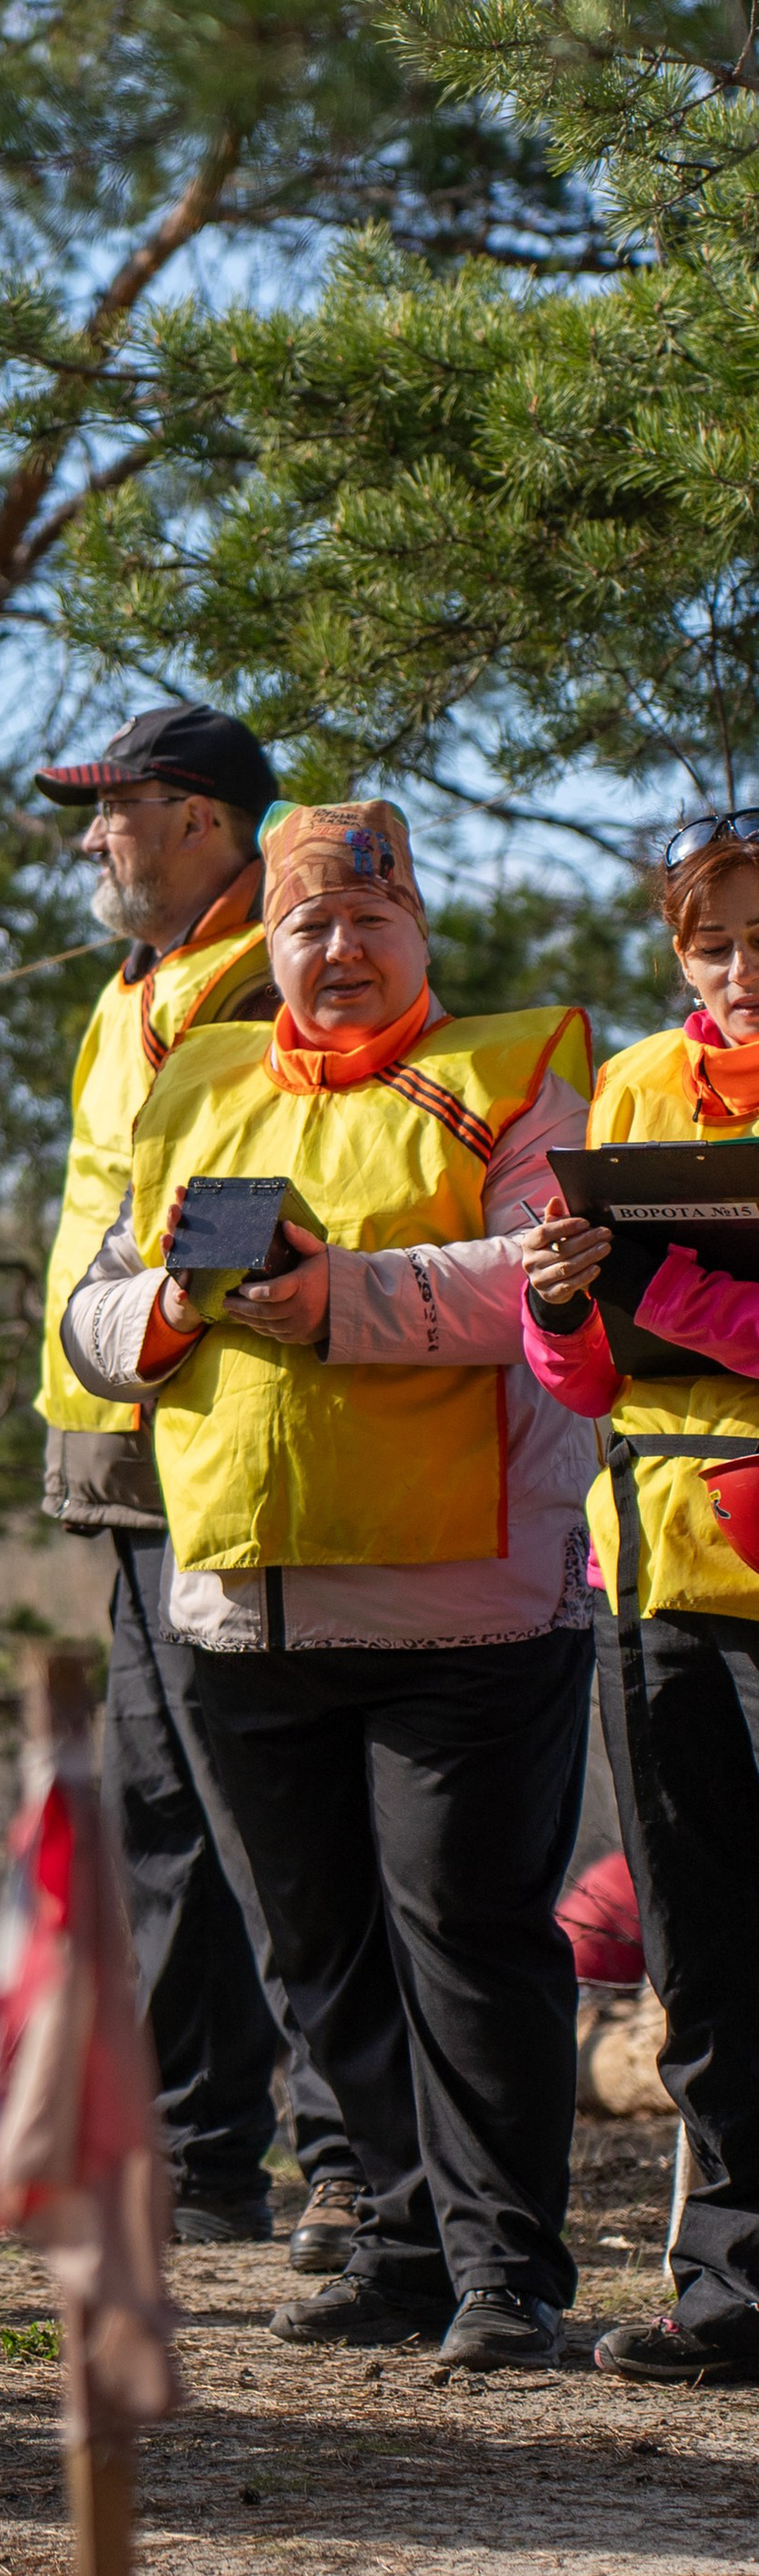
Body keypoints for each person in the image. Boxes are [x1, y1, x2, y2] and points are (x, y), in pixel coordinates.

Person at [60, 799, 596, 2370]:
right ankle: (404, 2245)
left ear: (419, 931)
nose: (340, 952)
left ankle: (510, 2272)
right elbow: (91, 1316)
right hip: (241, 1601)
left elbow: (545, 1276)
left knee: (470, 1937)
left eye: (370, 924)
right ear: (266, 946)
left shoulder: (509, 1072)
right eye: (308, 928)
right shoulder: (201, 1078)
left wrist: (333, 1300)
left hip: (468, 1602)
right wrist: (172, 1310)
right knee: (320, 1955)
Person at [33, 707, 361, 2265]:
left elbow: (250, 1219)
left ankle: (349, 2157)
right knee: (164, 1814)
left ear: (205, 821)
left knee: (269, 1813)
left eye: (117, 810)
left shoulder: (280, 975)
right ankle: (201, 2154)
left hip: (225, 1434)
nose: (93, 839)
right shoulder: (140, 982)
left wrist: (161, 1346)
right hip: (124, 1442)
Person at [518, 810, 759, 2384]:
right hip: (656, 1567)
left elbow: (682, 1309)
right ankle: (737, 2298)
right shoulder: (631, 1092)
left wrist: (660, 1286)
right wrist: (560, 1310)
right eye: (712, 944)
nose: (741, 974)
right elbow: (594, 1368)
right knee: (706, 1956)